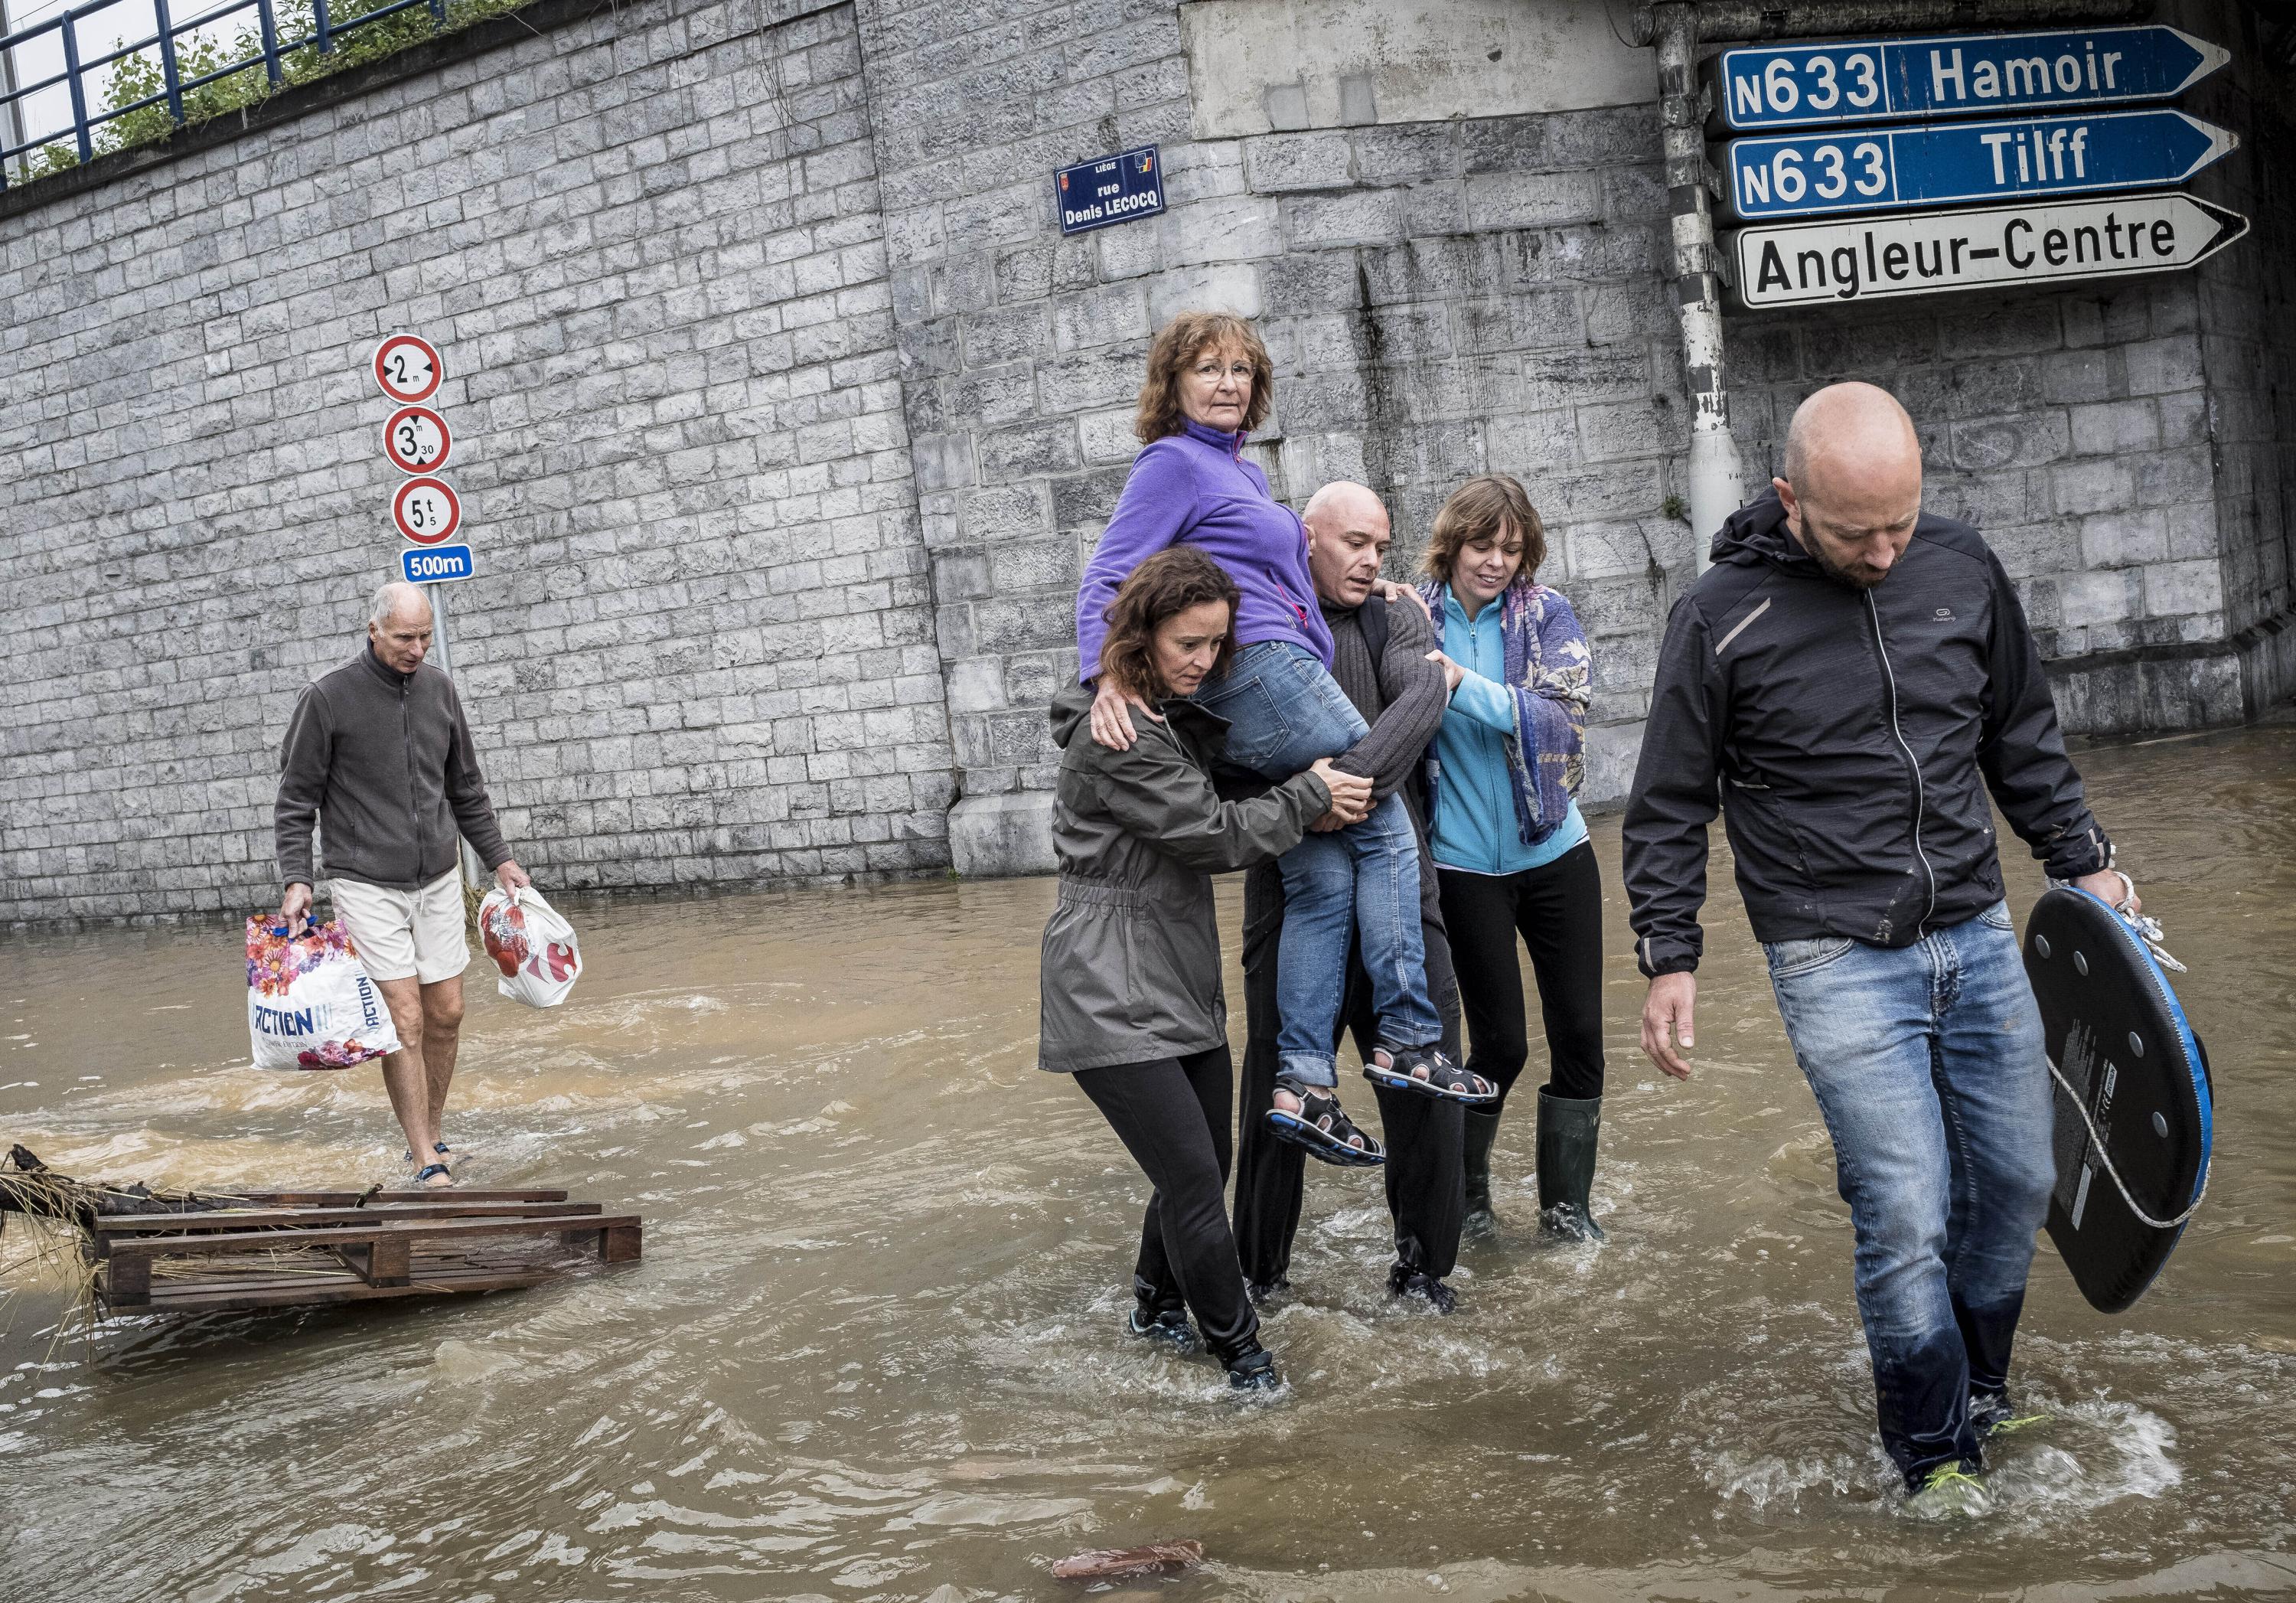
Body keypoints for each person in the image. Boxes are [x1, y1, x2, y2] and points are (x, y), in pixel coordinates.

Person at [1622, 381, 2135, 1502]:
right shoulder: (1720, 615)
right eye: (1858, 532)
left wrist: (2081, 857)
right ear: (1789, 499)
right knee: (1903, 1204)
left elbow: (2021, 735)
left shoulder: (1959, 567)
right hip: (1833, 952)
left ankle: (1981, 1395)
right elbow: (1667, 801)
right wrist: (1671, 953)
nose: (1887, 551)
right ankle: (1931, 1455)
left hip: (1978, 927)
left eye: (1902, 521)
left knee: (2016, 1180)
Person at [1076, 311, 1490, 1166]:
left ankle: (1303, 1083)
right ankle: (1410, 1041)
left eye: (1240, 370)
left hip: (1260, 681)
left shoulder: (1239, 471)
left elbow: (1288, 574)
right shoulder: (1171, 463)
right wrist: (1106, 676)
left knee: (1323, 884)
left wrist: (1385, 599)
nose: (1227, 383)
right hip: (1263, 673)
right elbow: (1110, 574)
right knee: (1385, 830)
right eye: (1207, 368)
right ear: (1174, 384)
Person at [1040, 547, 1374, 1389]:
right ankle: (1248, 1364)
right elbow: (1215, 836)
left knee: (1199, 1168)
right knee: (1193, 1181)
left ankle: (1155, 1305)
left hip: (1174, 972)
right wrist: (1311, 793)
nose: (1205, 661)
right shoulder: (1118, 736)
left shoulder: (1153, 708)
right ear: (1142, 635)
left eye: (1217, 645)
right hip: (1105, 984)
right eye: (1189, 643)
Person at [1232, 482, 1468, 1310]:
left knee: (1428, 1092)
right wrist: (1304, 801)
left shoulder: (1395, 617)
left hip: (1405, 896)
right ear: (1305, 539)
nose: (1371, 561)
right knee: (1278, 1091)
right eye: (1353, 544)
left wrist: (1334, 790)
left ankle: (1423, 1275)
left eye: (1381, 546)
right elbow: (1225, 757)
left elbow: (1420, 696)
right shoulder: (1258, 621)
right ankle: (1258, 1280)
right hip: (1297, 898)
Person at [275, 582, 530, 1189]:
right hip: (365, 883)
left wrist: (499, 859)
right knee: (404, 1019)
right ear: (373, 630)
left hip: (437, 878)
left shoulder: (441, 690)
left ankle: (432, 1131)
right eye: (403, 637)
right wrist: (297, 879)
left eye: (424, 637)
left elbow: (465, 787)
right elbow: (295, 800)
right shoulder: (328, 698)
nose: (417, 648)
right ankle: (425, 1159)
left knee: (448, 1012)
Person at [1416, 475, 1606, 1242]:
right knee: (1499, 1044)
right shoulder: (1409, 618)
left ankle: (1568, 1213)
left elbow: (1563, 718)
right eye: (1481, 545)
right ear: (1452, 544)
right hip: (1462, 867)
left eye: (1511, 548)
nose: (1495, 562)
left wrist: (1463, 685)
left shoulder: (1547, 613)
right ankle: (1465, 1205)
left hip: (1557, 853)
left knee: (1582, 1038)